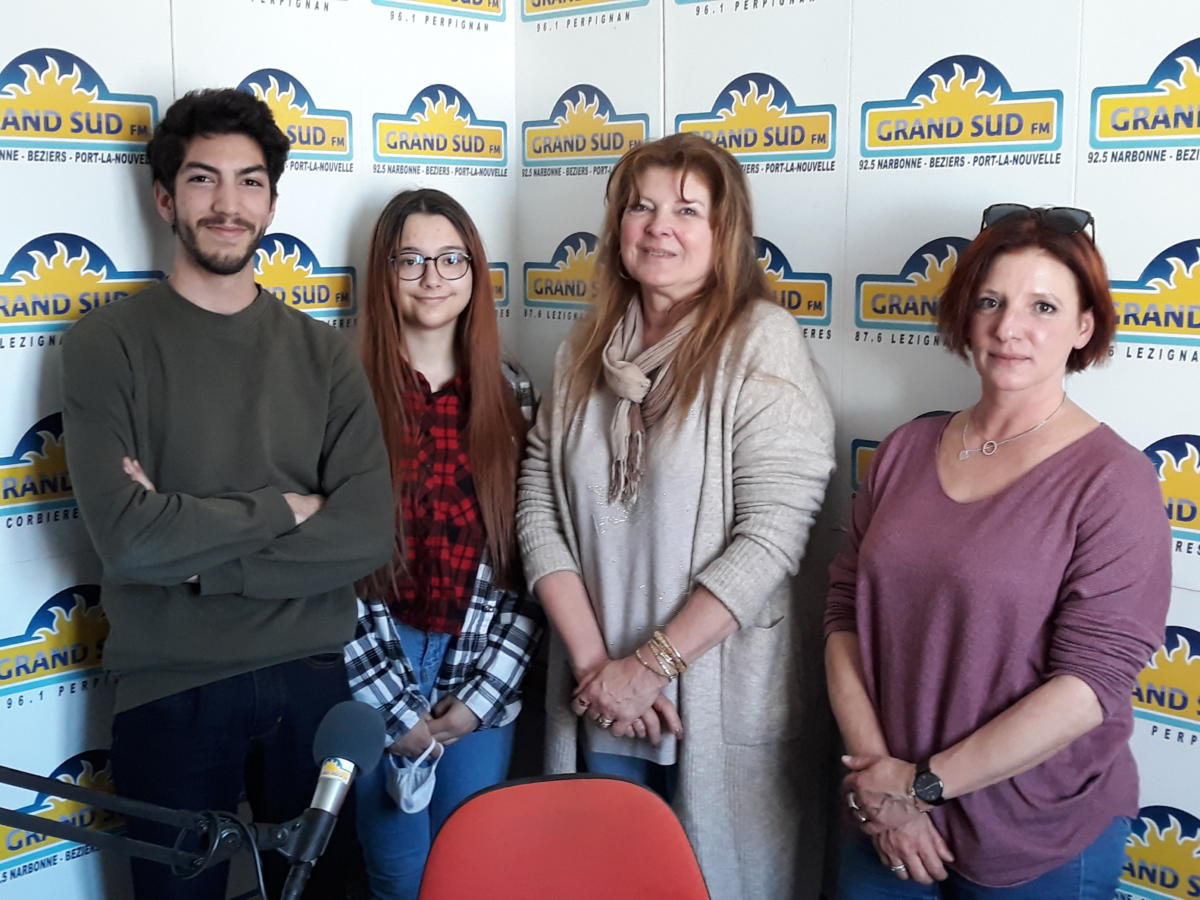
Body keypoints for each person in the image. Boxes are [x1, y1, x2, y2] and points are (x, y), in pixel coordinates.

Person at [60, 88, 393, 899]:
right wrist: (287, 507)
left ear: (272, 201)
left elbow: (368, 531)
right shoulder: (106, 344)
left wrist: (207, 562)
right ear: (166, 199)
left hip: (313, 679)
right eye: (204, 180)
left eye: (249, 182)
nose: (228, 204)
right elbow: (130, 538)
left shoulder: (323, 353)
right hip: (170, 689)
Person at [516, 132, 836, 899]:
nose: (660, 226)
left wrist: (648, 668)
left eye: (688, 210)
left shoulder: (762, 342)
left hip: (707, 701)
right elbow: (537, 506)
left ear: (725, 236)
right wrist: (601, 669)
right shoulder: (583, 350)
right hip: (598, 694)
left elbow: (773, 536)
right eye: (642, 206)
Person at [824, 204, 1172, 898]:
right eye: (991, 300)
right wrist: (882, 782)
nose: (1011, 327)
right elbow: (843, 615)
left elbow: (1089, 687)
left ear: (1083, 326)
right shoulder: (905, 450)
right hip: (884, 817)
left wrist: (923, 785)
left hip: (1037, 835)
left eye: (1043, 305)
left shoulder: (1113, 480)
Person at [344, 188, 542, 900]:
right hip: (374, 665)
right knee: (397, 869)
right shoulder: (345, 391)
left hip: (479, 669)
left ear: (475, 272)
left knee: (472, 868)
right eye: (412, 259)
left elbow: (531, 555)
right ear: (383, 271)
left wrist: (481, 700)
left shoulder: (513, 391)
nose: (433, 277)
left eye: (451, 258)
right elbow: (330, 564)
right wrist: (395, 712)